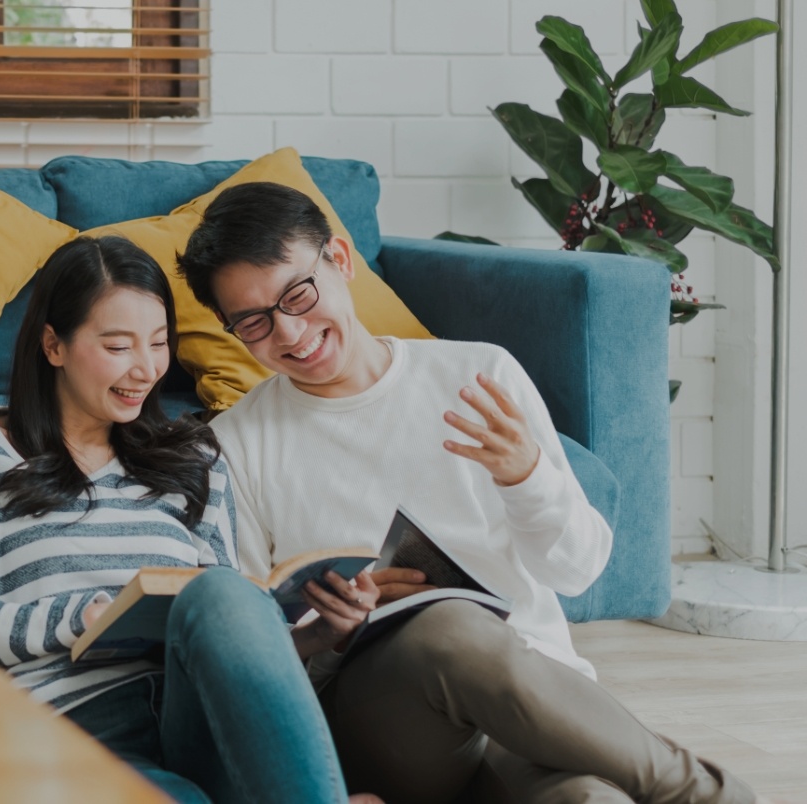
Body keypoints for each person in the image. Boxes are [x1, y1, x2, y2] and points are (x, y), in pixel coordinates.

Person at [175, 182, 760, 804]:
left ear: (340, 261)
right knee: (448, 628)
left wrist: (527, 477)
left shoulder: (480, 375)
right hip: (382, 728)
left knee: (591, 800)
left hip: (530, 704)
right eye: (254, 322)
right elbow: (246, 656)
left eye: (298, 294)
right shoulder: (232, 446)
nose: (290, 332)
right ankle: (707, 794)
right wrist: (330, 632)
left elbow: (579, 572)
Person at [0, 235, 373, 804]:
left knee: (222, 591)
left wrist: (318, 635)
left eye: (158, 343)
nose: (147, 368)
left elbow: (228, 629)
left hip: (199, 718)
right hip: (75, 728)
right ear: (54, 345)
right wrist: (87, 616)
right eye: (118, 346)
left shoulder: (196, 456)